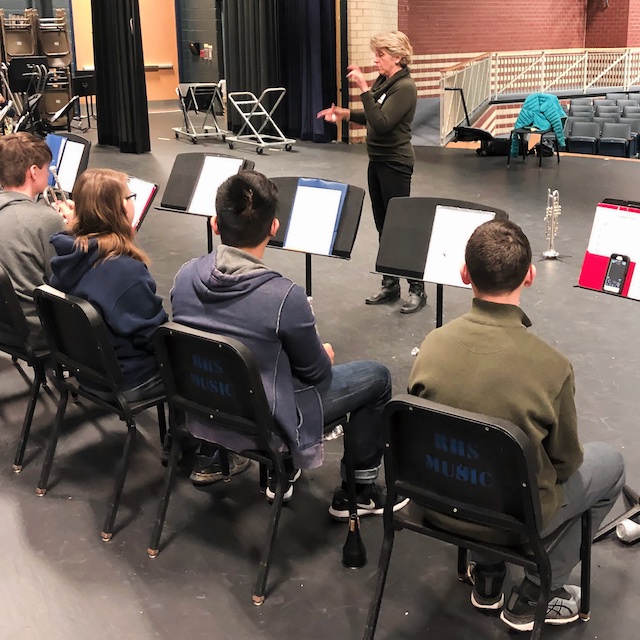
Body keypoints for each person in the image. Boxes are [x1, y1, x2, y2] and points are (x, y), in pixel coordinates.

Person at [408, 219, 625, 632]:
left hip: (437, 501)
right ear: (530, 274)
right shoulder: (551, 367)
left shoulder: (432, 345)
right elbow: (566, 462)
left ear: (464, 274)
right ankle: (537, 592)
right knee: (610, 465)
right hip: (514, 518)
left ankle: (487, 576)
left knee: (474, 450)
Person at [171, 170, 409, 517]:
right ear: (274, 228)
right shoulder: (284, 297)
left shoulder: (184, 275)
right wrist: (324, 355)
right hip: (267, 421)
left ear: (215, 225)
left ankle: (277, 470)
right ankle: (360, 489)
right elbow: (315, 373)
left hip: (209, 404)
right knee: (376, 377)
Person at [317, 31, 424, 313]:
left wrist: (363, 87)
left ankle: (417, 288)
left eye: (381, 56)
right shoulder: (386, 81)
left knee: (400, 227)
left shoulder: (406, 87)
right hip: (377, 160)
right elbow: (372, 114)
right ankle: (390, 283)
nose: (376, 60)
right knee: (383, 225)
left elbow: (383, 122)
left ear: (398, 57)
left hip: (396, 163)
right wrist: (345, 114)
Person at [49, 168, 167, 402]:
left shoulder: (65, 256)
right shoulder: (124, 271)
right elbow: (155, 339)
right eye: (130, 197)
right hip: (126, 380)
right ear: (122, 208)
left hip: (86, 373)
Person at [0, 132, 65, 349]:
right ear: (34, 171)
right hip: (38, 332)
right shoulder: (46, 220)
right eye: (47, 168)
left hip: (6, 328)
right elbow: (65, 281)